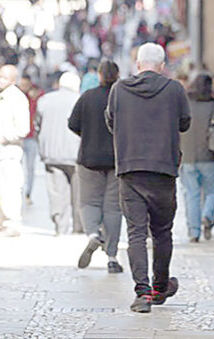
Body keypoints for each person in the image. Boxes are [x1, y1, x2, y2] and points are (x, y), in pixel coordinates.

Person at [106, 42, 191, 313]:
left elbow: (111, 121)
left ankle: (142, 293)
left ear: (138, 64)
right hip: (163, 170)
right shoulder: (174, 89)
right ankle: (159, 286)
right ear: (163, 66)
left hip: (130, 170)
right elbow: (185, 123)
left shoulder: (119, 89)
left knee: (136, 233)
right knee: (162, 232)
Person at [68, 60, 123, 274]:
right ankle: (112, 256)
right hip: (117, 160)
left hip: (89, 159)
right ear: (117, 75)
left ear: (100, 75)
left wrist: (88, 135)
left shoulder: (88, 97)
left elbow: (73, 124)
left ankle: (92, 234)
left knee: (89, 201)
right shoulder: (122, 99)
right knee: (113, 207)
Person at [179, 73, 214, 241]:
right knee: (212, 191)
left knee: (191, 194)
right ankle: (207, 215)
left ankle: (194, 232)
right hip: (210, 155)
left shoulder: (184, 104)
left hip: (187, 156)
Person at [37, 72, 82, 235]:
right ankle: (79, 227)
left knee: (57, 193)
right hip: (77, 154)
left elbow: (38, 125)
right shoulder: (80, 100)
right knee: (79, 194)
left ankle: (60, 227)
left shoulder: (45, 100)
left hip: (52, 153)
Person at [0, 65, 30, 237]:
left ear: (12, 80)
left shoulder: (17, 98)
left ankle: (12, 222)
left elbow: (23, 128)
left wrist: (4, 137)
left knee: (10, 188)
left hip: (9, 153)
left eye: (4, 77)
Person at [18, 74, 44, 205]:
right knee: (18, 167)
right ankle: (18, 192)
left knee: (30, 167)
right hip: (18, 138)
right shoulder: (15, 96)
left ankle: (28, 193)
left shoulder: (35, 96)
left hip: (31, 138)